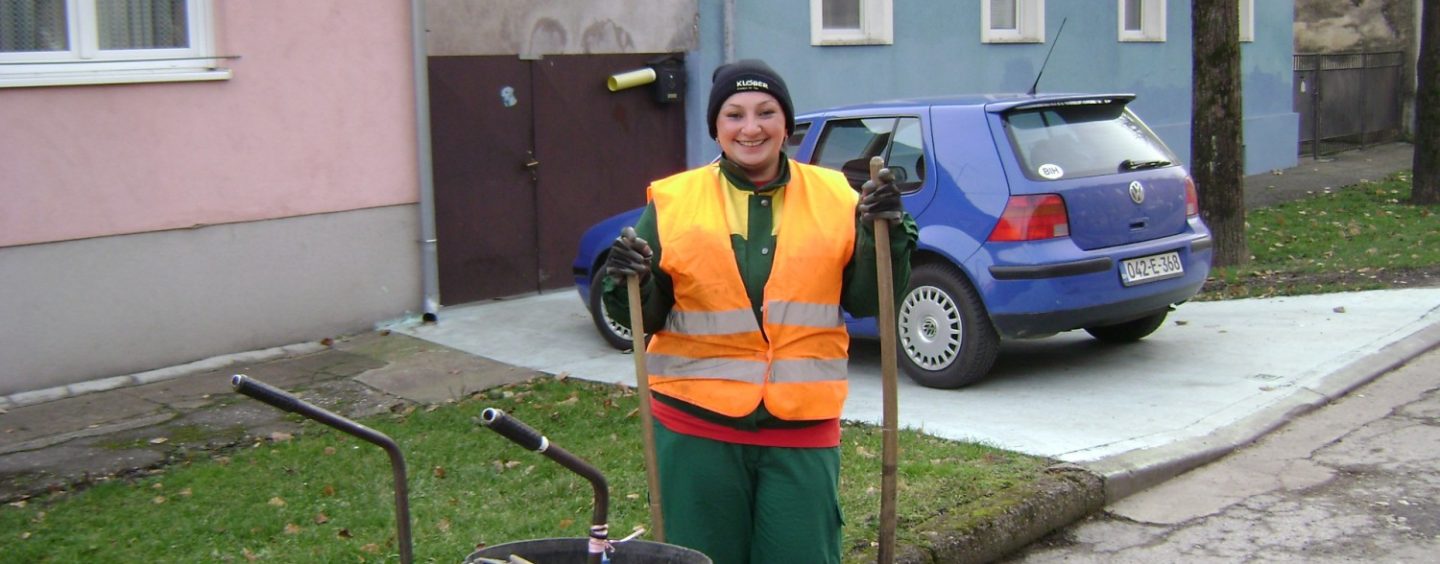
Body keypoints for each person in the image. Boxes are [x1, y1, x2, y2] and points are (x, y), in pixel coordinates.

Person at [601, 59, 916, 563]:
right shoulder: (674, 200)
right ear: (716, 127)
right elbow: (645, 317)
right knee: (700, 558)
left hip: (802, 423)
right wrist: (628, 277)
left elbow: (867, 300)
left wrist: (889, 232)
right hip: (695, 426)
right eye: (734, 114)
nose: (751, 128)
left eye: (766, 112)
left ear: (786, 123)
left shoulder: (837, 195)